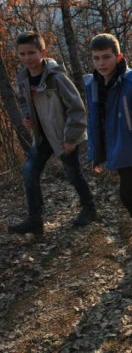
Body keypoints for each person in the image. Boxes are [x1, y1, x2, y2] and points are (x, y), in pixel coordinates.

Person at [8, 31, 96, 235]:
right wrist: (26, 116)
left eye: (31, 53)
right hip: (41, 136)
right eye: (22, 54)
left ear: (43, 52)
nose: (27, 58)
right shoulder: (23, 79)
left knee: (73, 174)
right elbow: (24, 103)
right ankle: (34, 219)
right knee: (29, 172)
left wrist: (71, 138)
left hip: (63, 134)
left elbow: (77, 108)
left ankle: (89, 208)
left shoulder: (56, 77)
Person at [85, 33, 132, 257]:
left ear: (118, 57)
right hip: (116, 152)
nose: (101, 63)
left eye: (106, 57)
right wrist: (96, 155)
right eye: (96, 58)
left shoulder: (131, 84)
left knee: (128, 196)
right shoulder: (94, 85)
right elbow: (95, 123)